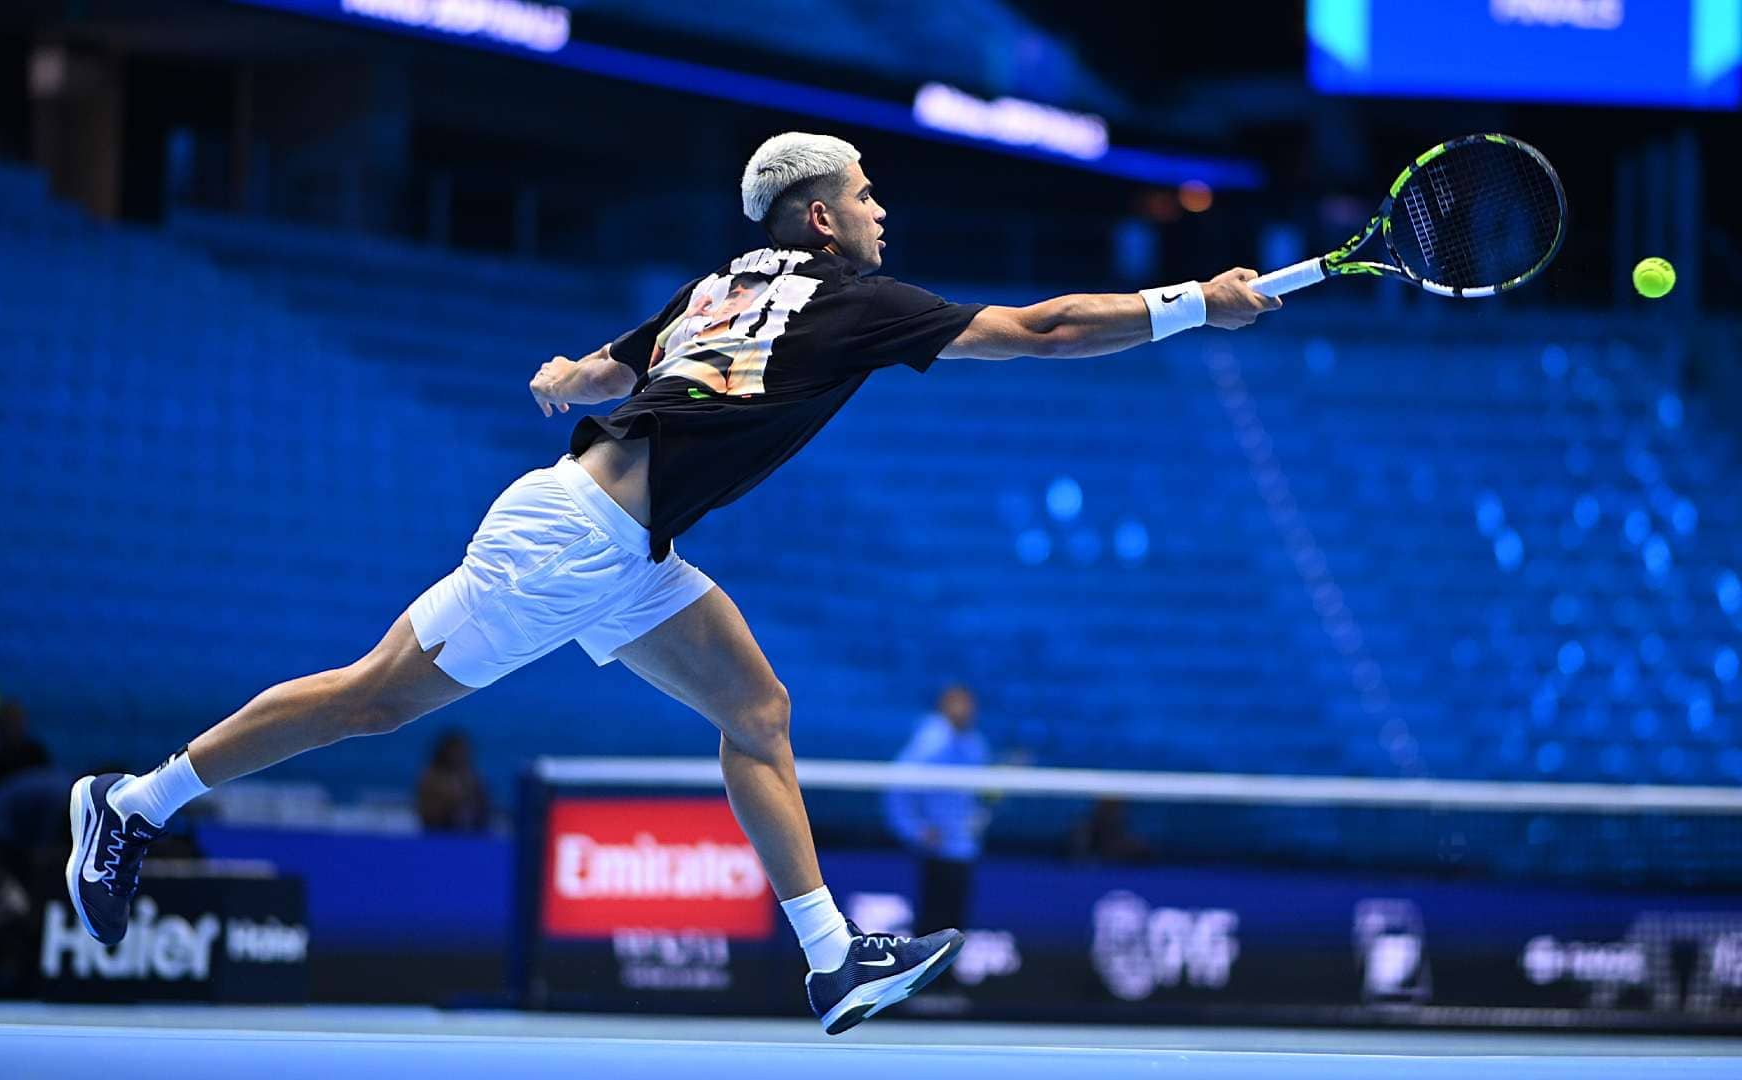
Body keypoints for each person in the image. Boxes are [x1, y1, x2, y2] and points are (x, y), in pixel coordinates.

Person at [65, 131, 1279, 1034]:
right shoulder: (852, 301)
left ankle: (831, 957)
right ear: (816, 219)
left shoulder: (720, 285)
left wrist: (558, 377)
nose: (879, 211)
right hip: (571, 540)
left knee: (758, 712)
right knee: (369, 699)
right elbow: (1051, 329)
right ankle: (135, 804)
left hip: (623, 548)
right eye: (862, 194)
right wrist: (1191, 307)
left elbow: (605, 372)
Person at [884, 685, 990, 937]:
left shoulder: (975, 744)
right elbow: (898, 790)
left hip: (964, 849)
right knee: (933, 924)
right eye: (959, 704)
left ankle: (948, 976)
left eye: (969, 704)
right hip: (937, 849)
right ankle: (929, 976)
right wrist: (914, 829)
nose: (966, 710)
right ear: (944, 707)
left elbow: (979, 795)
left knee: (957, 924)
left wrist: (979, 817)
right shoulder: (930, 742)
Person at [416, 729, 492, 832]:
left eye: (461, 751)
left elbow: (482, 803)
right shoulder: (431, 777)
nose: (458, 755)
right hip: (437, 829)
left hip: (471, 831)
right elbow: (427, 810)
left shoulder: (470, 775)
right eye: (455, 751)